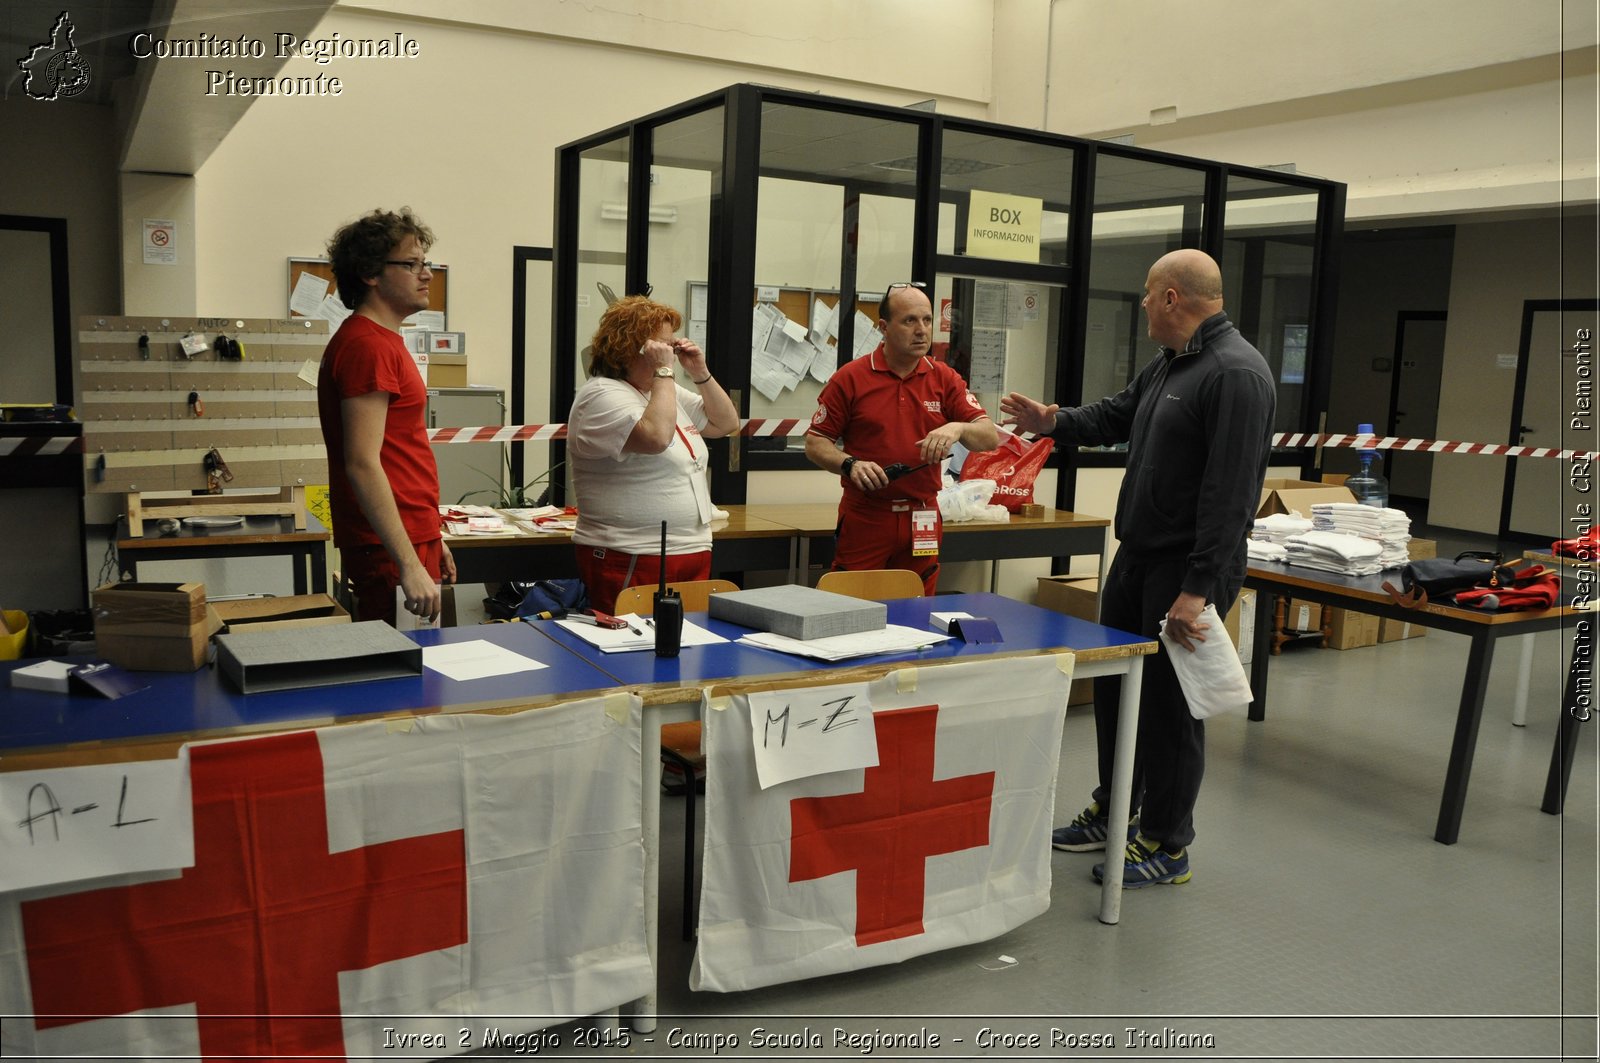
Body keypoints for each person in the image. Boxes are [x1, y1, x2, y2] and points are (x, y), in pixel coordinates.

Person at [1000, 248, 1274, 889]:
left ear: (1173, 298)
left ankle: (1168, 843)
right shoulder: (1172, 364)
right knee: (1119, 688)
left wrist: (1197, 590)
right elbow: (1116, 414)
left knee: (1171, 705)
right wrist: (1054, 421)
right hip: (1140, 556)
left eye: (1149, 294)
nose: (1144, 305)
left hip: (1187, 568)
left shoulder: (1236, 374)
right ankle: (1118, 805)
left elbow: (1232, 496)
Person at [804, 282, 998, 594]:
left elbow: (989, 437)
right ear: (883, 327)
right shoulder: (851, 378)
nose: (921, 330)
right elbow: (815, 443)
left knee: (916, 607)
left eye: (927, 320)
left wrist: (957, 428)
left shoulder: (944, 378)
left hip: (922, 514)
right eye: (909, 321)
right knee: (851, 606)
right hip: (867, 514)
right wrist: (850, 464)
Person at [317, 207, 454, 626]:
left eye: (424, 263)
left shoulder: (385, 341)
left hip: (411, 534)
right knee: (405, 679)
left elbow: (399, 448)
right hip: (388, 547)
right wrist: (408, 561)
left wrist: (430, 535)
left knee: (427, 672)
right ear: (370, 273)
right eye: (411, 264)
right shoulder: (367, 346)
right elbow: (361, 463)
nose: (426, 274)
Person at [568, 296, 740, 612]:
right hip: (630, 552)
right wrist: (664, 372)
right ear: (631, 346)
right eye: (662, 345)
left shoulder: (662, 389)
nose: (671, 353)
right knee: (632, 653)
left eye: (671, 344)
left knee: (687, 648)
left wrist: (699, 372)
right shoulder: (601, 395)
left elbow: (725, 423)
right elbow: (657, 438)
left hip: (689, 548)